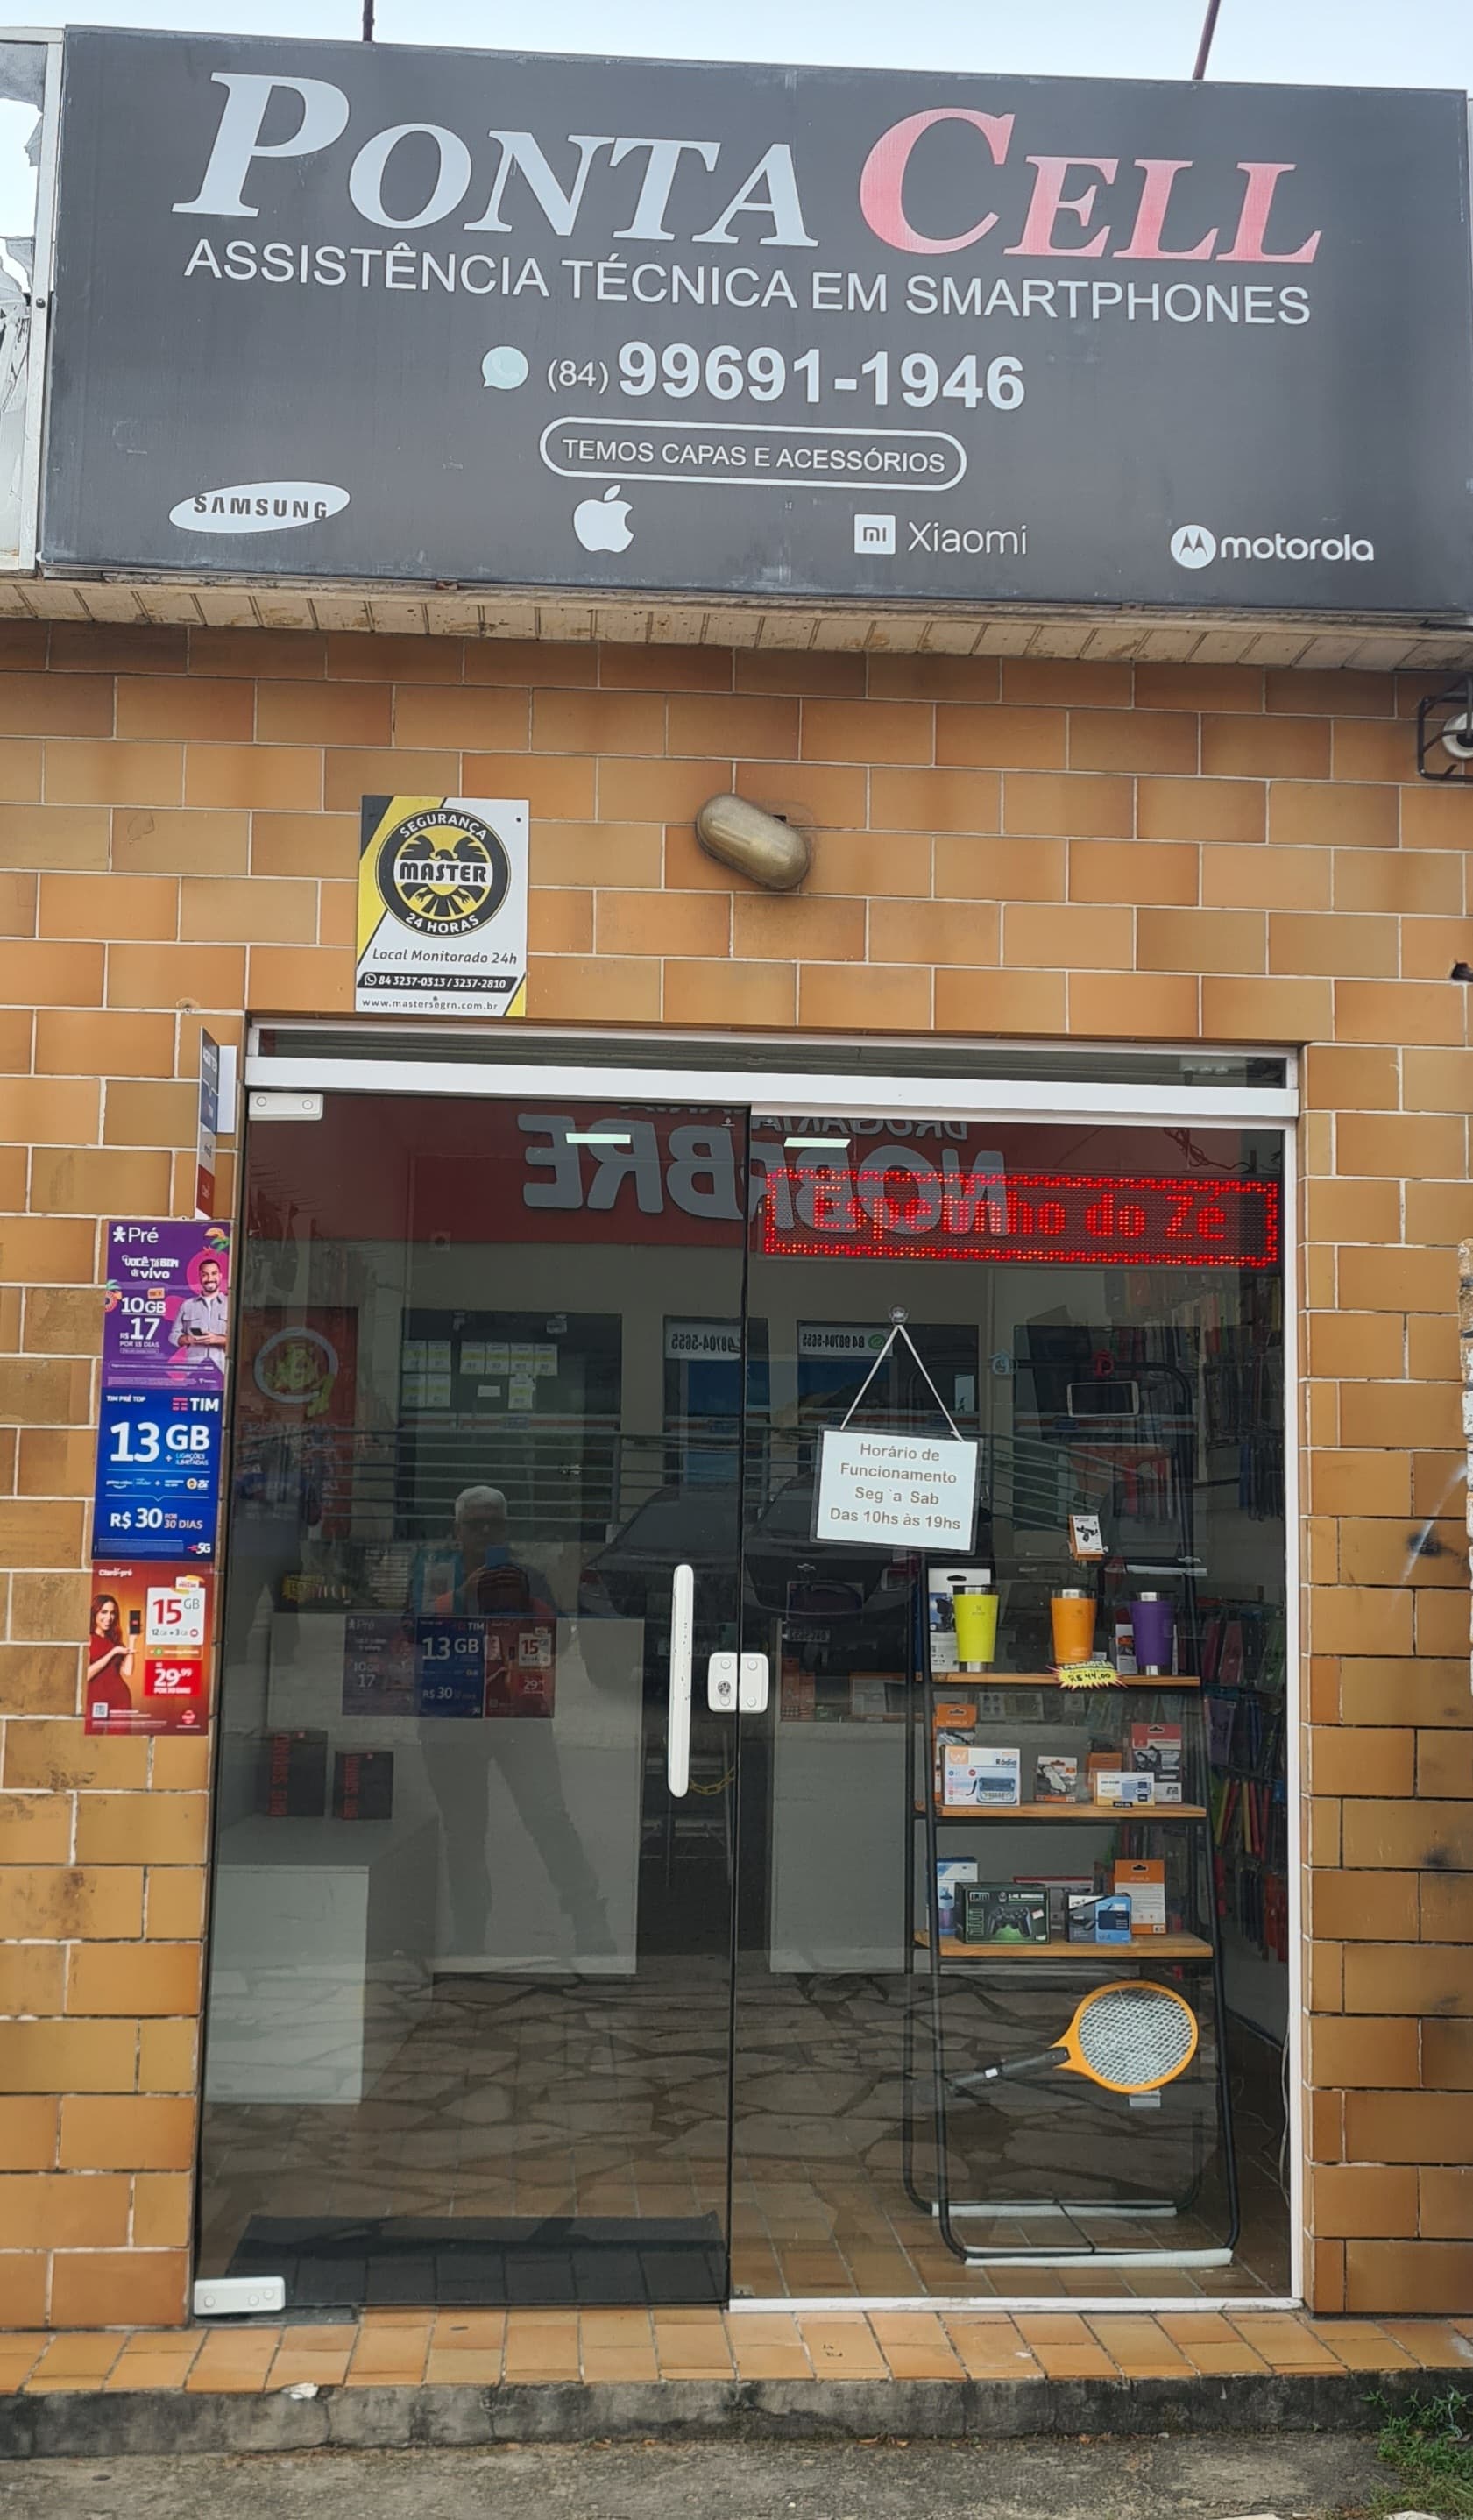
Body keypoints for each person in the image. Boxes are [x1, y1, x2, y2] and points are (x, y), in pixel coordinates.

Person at [170, 1253, 229, 1367]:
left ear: (220, 1276)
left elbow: (241, 1340)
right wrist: (187, 1339)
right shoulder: (187, 1305)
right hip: (193, 1369)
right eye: (205, 1274)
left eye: (214, 1273)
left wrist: (218, 1339)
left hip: (222, 1371)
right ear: (199, 1278)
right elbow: (173, 1336)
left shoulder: (230, 1305)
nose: (210, 1278)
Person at [87, 1595, 134, 1723]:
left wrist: (132, 1640)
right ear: (94, 1613)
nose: (109, 1617)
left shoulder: (114, 1641)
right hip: (95, 1699)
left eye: (112, 1613)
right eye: (104, 1612)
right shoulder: (88, 1639)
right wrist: (112, 1653)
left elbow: (128, 1672)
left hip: (120, 1698)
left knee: (119, 1735)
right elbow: (86, 1675)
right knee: (93, 1733)